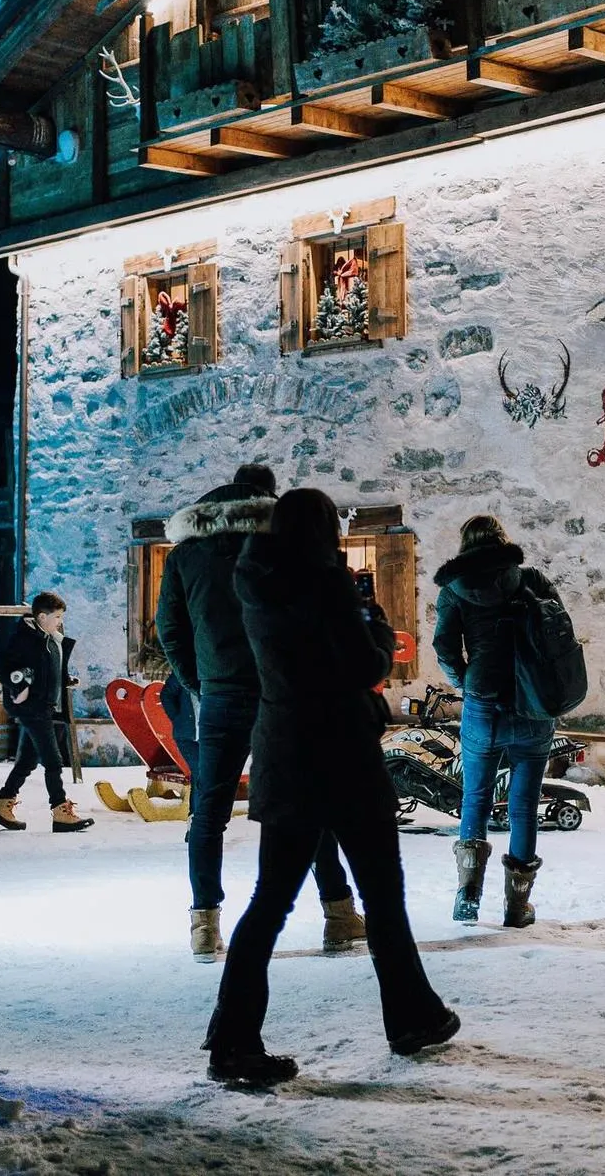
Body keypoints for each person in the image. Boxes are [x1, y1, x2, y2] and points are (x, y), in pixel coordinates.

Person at [203, 488, 459, 1087]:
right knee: (382, 893)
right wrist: (374, 622)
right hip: (341, 755)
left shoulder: (255, 582)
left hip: (286, 751)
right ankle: (411, 1017)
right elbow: (367, 664)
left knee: (270, 900)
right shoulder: (325, 581)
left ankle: (233, 1037)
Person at [157, 465, 365, 962]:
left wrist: (199, 682)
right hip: (284, 692)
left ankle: (204, 924)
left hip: (222, 694)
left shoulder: (187, 554)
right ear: (269, 497)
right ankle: (338, 914)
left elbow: (170, 630)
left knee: (208, 810)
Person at [432, 514, 563, 929]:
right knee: (524, 804)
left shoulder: (454, 590)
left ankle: (468, 895)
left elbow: (445, 647)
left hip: (483, 703)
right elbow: (559, 633)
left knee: (475, 797)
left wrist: (465, 680)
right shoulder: (533, 581)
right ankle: (517, 905)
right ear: (503, 542)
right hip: (532, 701)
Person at [0, 591, 93, 834]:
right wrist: (20, 686)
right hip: (32, 707)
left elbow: (50, 667)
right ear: (42, 617)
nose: (60, 621)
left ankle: (2, 805)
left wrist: (65, 680)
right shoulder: (24, 639)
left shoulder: (52, 638)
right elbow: (4, 667)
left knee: (26, 761)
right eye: (56, 617)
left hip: (45, 706)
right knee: (53, 760)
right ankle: (60, 810)